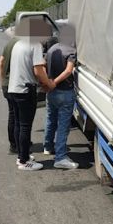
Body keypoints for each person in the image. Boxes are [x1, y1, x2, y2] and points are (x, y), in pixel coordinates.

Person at [8, 18, 55, 171]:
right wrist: (49, 84)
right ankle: (24, 161)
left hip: (14, 89)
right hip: (26, 90)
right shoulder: (34, 44)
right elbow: (38, 70)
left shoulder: (18, 44)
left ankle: (22, 155)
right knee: (25, 126)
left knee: (19, 125)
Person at [43, 24, 79, 169]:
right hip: (65, 92)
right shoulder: (71, 51)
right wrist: (55, 82)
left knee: (50, 119)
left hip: (51, 93)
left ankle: (47, 147)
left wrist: (49, 82)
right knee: (63, 125)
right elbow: (69, 70)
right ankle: (60, 157)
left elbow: (43, 66)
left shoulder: (51, 49)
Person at [0, 36, 19, 153]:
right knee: (20, 117)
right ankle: (18, 144)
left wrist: (2, 83)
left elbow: (0, 63)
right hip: (18, 85)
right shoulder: (23, 44)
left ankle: (13, 144)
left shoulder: (9, 44)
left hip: (6, 84)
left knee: (12, 114)